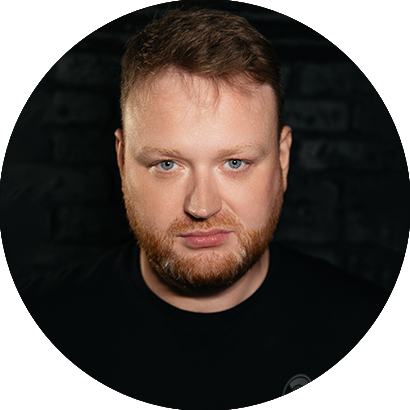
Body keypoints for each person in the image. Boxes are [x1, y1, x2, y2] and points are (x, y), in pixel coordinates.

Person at [16, 6, 390, 409]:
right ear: (122, 161)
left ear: (283, 159)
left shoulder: (374, 333)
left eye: (235, 163)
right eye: (167, 164)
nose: (201, 206)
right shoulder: (32, 334)